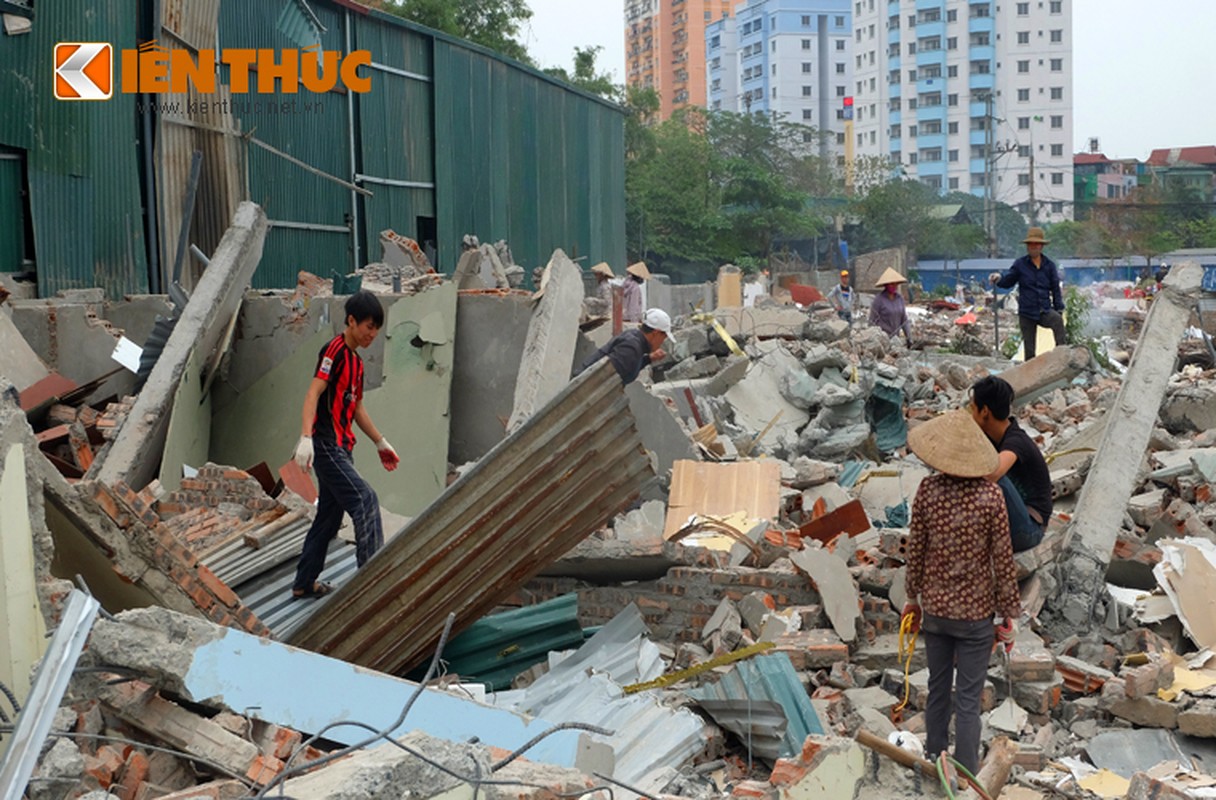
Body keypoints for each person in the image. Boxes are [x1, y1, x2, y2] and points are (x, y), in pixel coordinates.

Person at [902, 410, 1020, 775]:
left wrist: (912, 597)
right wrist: (1008, 613)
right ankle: (967, 777)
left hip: (936, 612)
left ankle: (936, 768)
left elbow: (916, 548)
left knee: (937, 691)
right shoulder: (991, 496)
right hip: (975, 618)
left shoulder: (928, 491)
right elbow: (1003, 558)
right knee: (968, 700)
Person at [290, 290, 400, 599]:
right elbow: (313, 393)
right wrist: (306, 437)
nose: (372, 334)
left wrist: (380, 442)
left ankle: (304, 582)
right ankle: (371, 585)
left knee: (328, 517)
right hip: (325, 445)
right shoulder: (334, 352)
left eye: (376, 328)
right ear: (351, 321)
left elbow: (357, 409)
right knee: (365, 499)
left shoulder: (357, 364)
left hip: (342, 448)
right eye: (368, 326)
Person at [968, 376, 1051, 553]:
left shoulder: (1016, 440)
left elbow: (993, 474)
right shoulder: (992, 439)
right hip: (1012, 523)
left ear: (984, 411)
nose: (971, 415)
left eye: (973, 408)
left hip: (1029, 530)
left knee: (990, 473)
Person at [989, 227, 1066, 360]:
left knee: (1057, 321)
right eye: (1030, 244)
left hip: (1044, 310)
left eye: (1036, 244)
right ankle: (1031, 375)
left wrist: (1058, 308)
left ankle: (1062, 357)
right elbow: (1009, 280)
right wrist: (999, 278)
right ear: (1027, 246)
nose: (1033, 247)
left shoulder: (1049, 266)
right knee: (1029, 351)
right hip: (1027, 312)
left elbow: (1055, 288)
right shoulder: (1020, 264)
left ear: (1041, 246)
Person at [577, 307, 671, 385]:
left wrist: (649, 358)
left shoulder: (634, 339)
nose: (662, 341)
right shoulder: (631, 348)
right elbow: (606, 379)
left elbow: (628, 366)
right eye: (664, 337)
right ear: (656, 333)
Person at [869, 267, 913, 344]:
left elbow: (904, 320)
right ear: (886, 285)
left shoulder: (899, 299)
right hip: (883, 340)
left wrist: (909, 337)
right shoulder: (879, 300)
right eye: (891, 284)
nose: (894, 286)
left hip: (896, 339)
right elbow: (872, 321)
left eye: (895, 284)